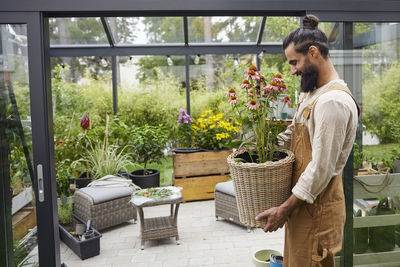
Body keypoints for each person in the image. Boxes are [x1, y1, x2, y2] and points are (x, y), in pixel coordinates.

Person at [255, 15, 360, 266]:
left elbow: (321, 167)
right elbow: (293, 134)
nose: (292, 71)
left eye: (294, 62)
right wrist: (261, 150)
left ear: (313, 52)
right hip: (303, 205)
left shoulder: (333, 102)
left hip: (317, 209)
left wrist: (285, 208)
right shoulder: (313, 95)